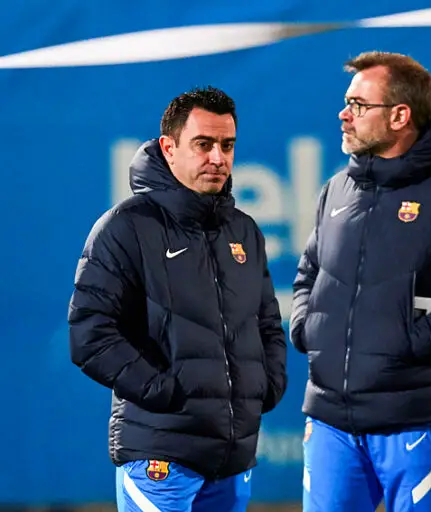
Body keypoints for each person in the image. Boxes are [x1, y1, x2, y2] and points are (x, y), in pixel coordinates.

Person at [290, 51, 431, 512]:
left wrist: (414, 342)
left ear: (399, 116)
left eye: (358, 105)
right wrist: (308, 327)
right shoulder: (337, 189)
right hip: (331, 419)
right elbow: (309, 273)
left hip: (417, 417)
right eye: (347, 102)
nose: (343, 114)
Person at [68, 86, 287, 512]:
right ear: (169, 148)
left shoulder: (244, 230)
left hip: (233, 457)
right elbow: (89, 334)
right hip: (160, 454)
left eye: (227, 145)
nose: (218, 158)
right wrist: (163, 392)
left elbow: (266, 323)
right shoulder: (125, 227)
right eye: (203, 144)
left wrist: (267, 384)